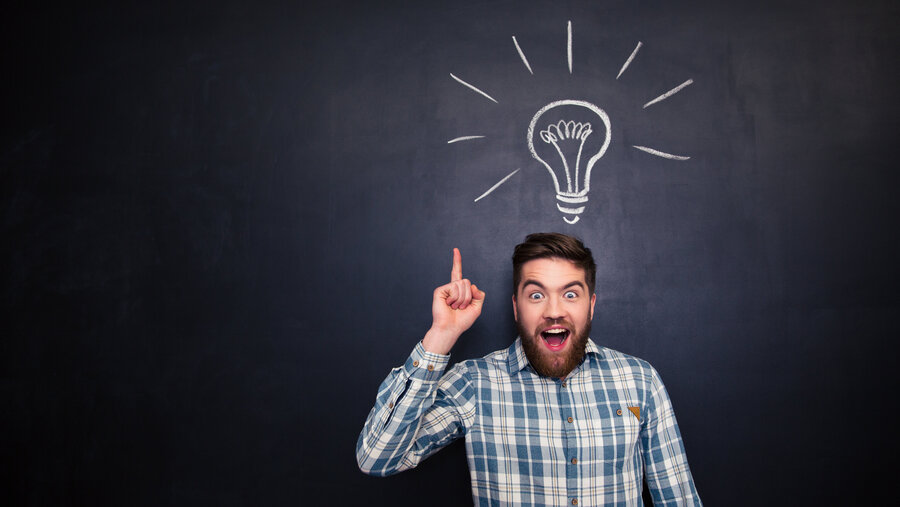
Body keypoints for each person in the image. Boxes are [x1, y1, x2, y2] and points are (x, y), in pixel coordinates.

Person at [357, 233, 701, 506]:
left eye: (570, 294)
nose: (554, 311)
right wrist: (441, 336)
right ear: (516, 308)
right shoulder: (476, 383)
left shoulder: (640, 381)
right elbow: (377, 458)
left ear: (591, 306)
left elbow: (679, 499)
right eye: (536, 295)